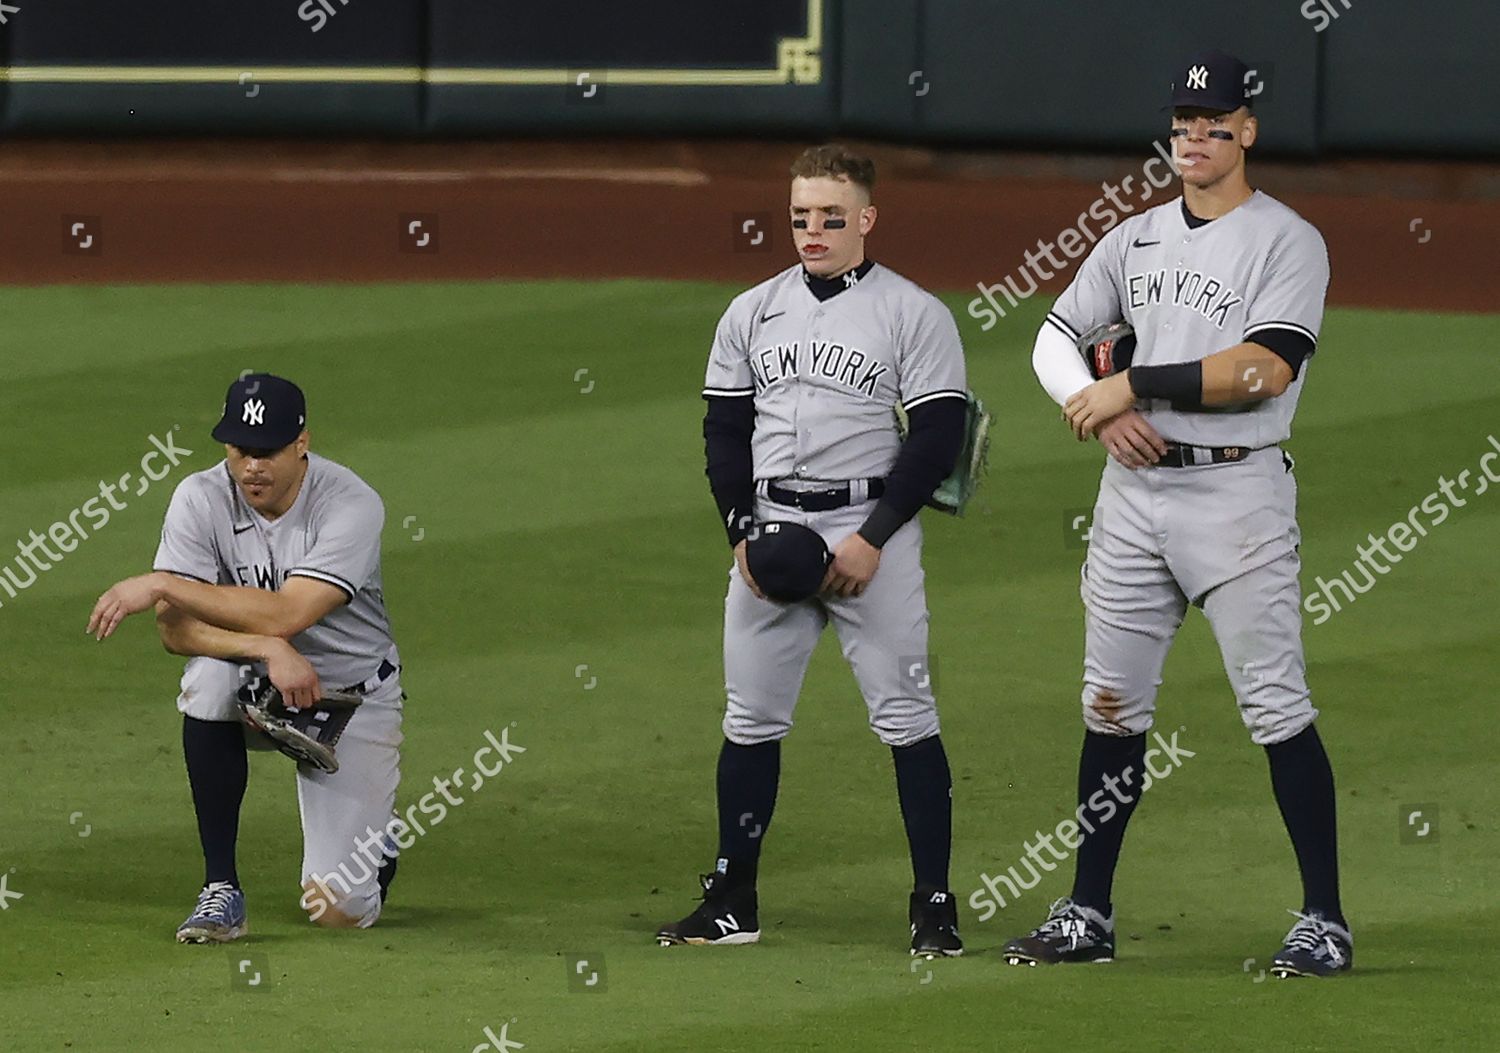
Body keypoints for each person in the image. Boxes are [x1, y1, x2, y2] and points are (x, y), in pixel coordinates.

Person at [1005, 50, 1351, 977]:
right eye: (1183, 123)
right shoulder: (1134, 237)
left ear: (1248, 131)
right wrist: (1098, 408)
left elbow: (1263, 369)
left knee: (1276, 705)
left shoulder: (1289, 241)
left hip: (1237, 495)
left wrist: (1130, 386)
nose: (1194, 138)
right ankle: (1088, 911)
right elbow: (1051, 336)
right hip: (1133, 501)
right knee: (1110, 707)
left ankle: (1324, 919)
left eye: (1214, 122)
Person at [656, 144, 971, 957]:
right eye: (801, 217)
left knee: (907, 719)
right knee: (749, 720)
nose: (814, 231)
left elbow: (938, 437)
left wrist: (871, 539)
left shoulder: (913, 312)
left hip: (876, 532)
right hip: (770, 533)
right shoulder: (751, 311)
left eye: (833, 217)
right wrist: (739, 533)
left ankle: (934, 901)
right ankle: (733, 898)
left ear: (866, 218)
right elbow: (724, 429)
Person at [87, 373, 405, 940]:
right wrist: (260, 647)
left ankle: (377, 838)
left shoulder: (351, 503)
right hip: (259, 682)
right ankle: (220, 890)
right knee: (209, 678)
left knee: (336, 911)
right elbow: (176, 631)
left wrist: (162, 581)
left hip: (348, 696)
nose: (252, 467)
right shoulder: (200, 496)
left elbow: (290, 613)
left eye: (267, 451)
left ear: (302, 443)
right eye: (240, 451)